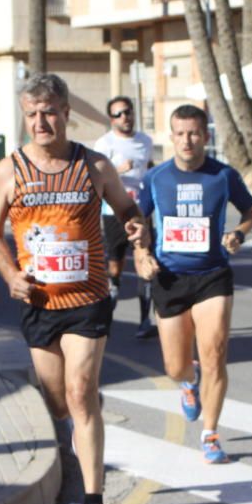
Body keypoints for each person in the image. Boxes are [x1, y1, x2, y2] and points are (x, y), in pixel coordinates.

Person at [0, 73, 148, 504]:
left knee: (78, 393)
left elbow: (128, 211)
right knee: (59, 404)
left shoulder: (95, 166)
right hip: (38, 303)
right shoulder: (9, 171)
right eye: (31, 114)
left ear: (66, 113)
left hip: (88, 298)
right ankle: (86, 406)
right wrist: (10, 274)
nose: (40, 122)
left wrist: (136, 229)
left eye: (49, 112)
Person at [133, 104, 252, 464]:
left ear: (205, 136)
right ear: (171, 137)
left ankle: (211, 434)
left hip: (212, 275)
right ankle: (189, 384)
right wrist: (141, 254)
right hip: (169, 278)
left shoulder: (223, 176)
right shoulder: (156, 178)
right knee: (175, 366)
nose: (187, 140)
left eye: (194, 133)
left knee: (215, 355)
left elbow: (251, 212)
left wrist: (238, 233)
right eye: (180, 133)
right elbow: (139, 222)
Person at [93, 96, 157, 339]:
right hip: (113, 213)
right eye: (118, 114)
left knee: (144, 260)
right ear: (111, 119)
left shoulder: (145, 141)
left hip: (140, 210)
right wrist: (118, 170)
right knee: (115, 265)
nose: (125, 117)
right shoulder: (104, 144)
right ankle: (106, 316)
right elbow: (95, 177)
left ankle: (144, 322)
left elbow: (148, 167)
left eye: (127, 112)